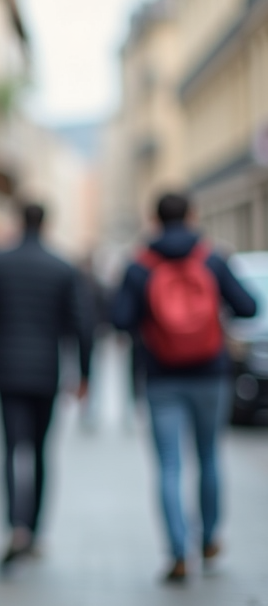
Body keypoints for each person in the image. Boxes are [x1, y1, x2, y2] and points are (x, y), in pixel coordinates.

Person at [110, 192, 256, 583]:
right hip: (211, 374)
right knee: (209, 457)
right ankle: (209, 539)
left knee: (169, 466)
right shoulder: (212, 258)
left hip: (162, 377)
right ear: (192, 216)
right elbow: (248, 307)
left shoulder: (139, 265)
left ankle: (178, 551)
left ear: (154, 219)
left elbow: (119, 319)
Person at [0, 203, 92, 571]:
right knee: (40, 452)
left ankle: (14, 528)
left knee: (9, 450)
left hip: (6, 371)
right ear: (47, 224)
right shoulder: (63, 267)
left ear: (19, 221)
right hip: (46, 373)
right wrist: (85, 374)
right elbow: (82, 325)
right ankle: (34, 532)